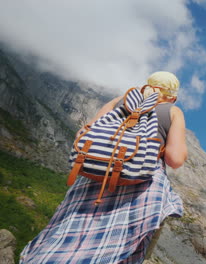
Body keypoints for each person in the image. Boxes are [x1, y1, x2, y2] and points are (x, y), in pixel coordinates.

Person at [20, 71, 187, 264]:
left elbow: (83, 135)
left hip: (94, 178)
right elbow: (175, 159)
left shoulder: (120, 101)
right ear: (172, 97)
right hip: (140, 182)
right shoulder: (172, 111)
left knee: (65, 239)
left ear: (145, 86)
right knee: (120, 250)